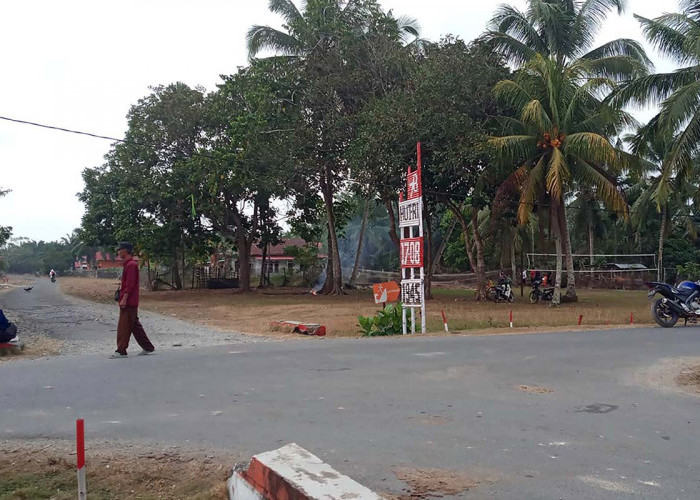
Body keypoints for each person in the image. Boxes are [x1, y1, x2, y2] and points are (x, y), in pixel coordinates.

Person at [111, 241, 155, 358]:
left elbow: (130, 285)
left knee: (124, 326)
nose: (118, 252)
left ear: (126, 250)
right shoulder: (128, 264)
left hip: (129, 301)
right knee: (134, 325)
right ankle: (148, 347)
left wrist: (124, 298)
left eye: (120, 249)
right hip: (130, 300)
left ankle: (121, 350)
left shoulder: (131, 265)